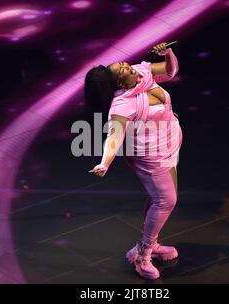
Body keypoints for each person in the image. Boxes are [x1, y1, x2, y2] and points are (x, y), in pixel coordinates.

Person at [84, 42, 182, 280]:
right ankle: (143, 255)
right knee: (166, 200)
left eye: (126, 64)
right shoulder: (123, 104)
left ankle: (151, 244)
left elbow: (170, 72)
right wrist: (104, 163)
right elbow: (114, 136)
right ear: (120, 83)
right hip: (150, 155)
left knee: (161, 198)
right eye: (125, 70)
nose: (132, 68)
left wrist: (167, 53)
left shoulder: (142, 73)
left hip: (168, 143)